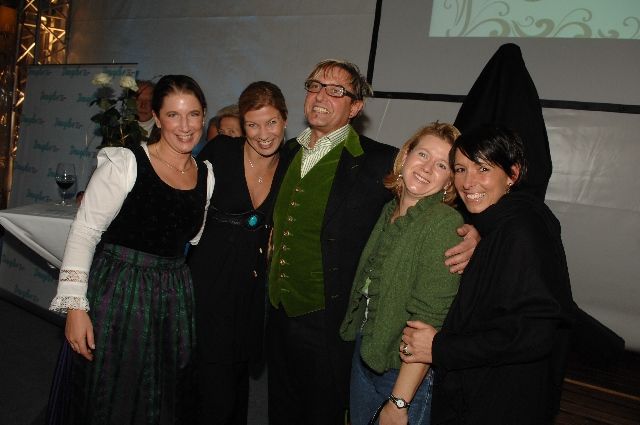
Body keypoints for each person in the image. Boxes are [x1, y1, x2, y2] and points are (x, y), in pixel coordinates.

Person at [266, 59, 476, 425]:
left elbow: (445, 199)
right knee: (281, 408)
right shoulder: (287, 152)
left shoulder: (378, 160)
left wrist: (475, 233)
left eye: (336, 91)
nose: (321, 96)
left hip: (331, 325)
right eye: (315, 86)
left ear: (356, 107)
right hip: (280, 312)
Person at [49, 74, 214, 425]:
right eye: (173, 115)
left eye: (194, 114)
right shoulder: (125, 164)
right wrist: (75, 307)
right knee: (115, 393)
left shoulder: (206, 175)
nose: (185, 126)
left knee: (167, 394)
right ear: (156, 117)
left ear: (204, 116)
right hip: (120, 292)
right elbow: (84, 233)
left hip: (173, 297)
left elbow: (192, 238)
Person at [400, 125, 575, 424]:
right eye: (460, 169)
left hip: (502, 402)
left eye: (483, 168)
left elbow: (535, 333)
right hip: (480, 392)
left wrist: (440, 347)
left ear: (512, 174)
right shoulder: (497, 224)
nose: (468, 182)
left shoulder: (523, 230)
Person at [340, 122, 463, 425]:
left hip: (402, 376)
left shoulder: (443, 223)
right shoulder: (389, 211)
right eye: (423, 154)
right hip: (367, 354)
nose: (427, 168)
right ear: (406, 155)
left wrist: (399, 402)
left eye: (442, 165)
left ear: (449, 181)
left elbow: (429, 321)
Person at [187, 81, 290, 425]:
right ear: (243, 125)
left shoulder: (291, 164)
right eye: (253, 125)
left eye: (271, 122)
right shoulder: (221, 151)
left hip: (252, 287)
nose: (264, 134)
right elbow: (183, 192)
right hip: (210, 281)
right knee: (210, 383)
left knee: (238, 381)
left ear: (285, 120)